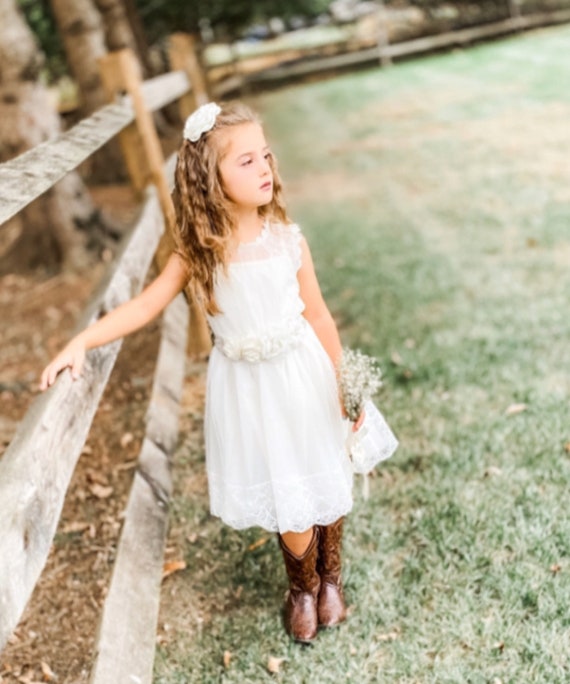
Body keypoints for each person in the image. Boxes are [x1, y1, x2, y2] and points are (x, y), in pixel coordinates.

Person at [40, 101, 365, 644]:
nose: (264, 167)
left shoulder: (288, 239)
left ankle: (331, 581)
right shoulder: (199, 254)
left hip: (304, 374)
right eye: (245, 161)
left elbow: (320, 314)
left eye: (265, 155)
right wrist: (83, 338)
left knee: (321, 469)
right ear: (208, 179)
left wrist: (343, 381)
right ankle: (303, 590)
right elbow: (143, 307)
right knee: (289, 486)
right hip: (251, 390)